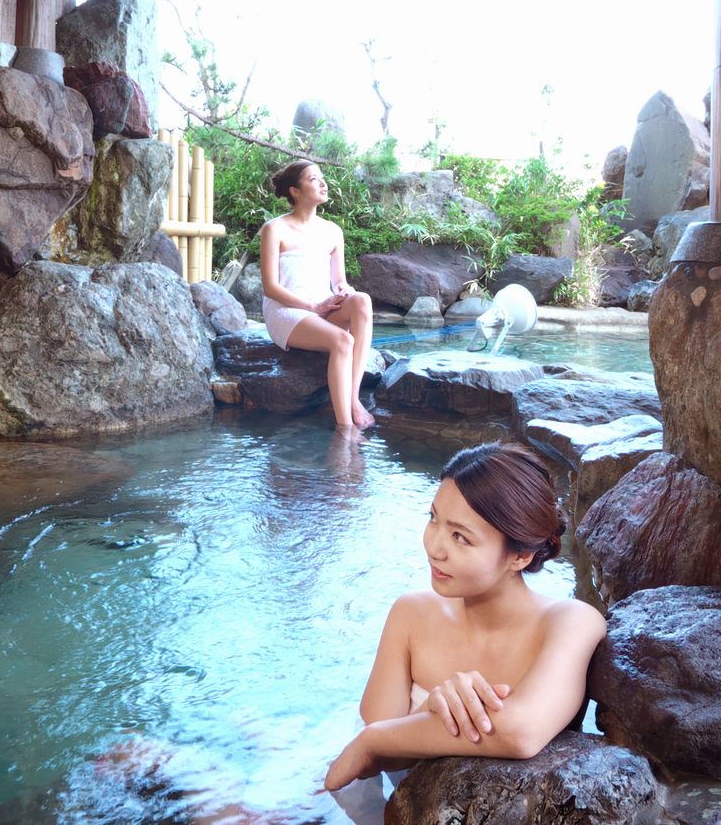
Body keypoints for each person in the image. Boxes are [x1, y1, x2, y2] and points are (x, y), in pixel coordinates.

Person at [323, 444, 606, 793]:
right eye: (433, 518)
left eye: (460, 537)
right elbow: (370, 765)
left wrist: (383, 738)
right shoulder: (410, 614)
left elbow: (521, 732)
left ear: (520, 555)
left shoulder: (571, 622)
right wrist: (430, 708)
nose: (434, 547)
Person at [259, 159, 376, 430]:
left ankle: (353, 399)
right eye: (313, 179)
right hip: (287, 311)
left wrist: (343, 292)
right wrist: (313, 306)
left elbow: (339, 281)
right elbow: (270, 288)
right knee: (342, 341)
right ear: (295, 191)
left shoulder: (332, 231)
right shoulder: (274, 229)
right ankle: (345, 428)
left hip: (321, 308)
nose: (323, 183)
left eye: (322, 178)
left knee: (362, 301)